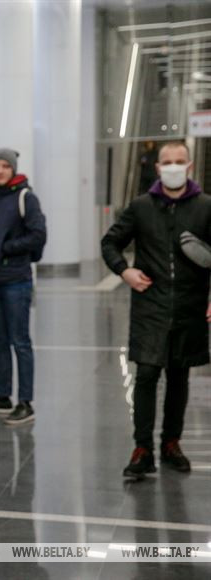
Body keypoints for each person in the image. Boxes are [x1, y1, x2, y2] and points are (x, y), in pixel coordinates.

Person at [101, 140, 211, 480]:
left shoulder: (206, 207)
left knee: (179, 376)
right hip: (150, 304)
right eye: (168, 161)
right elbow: (110, 242)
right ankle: (142, 448)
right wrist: (125, 271)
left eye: (180, 161)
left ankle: (171, 443)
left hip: (190, 306)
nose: (174, 166)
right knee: (147, 374)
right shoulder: (141, 206)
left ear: (190, 166)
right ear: (158, 168)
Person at [0, 148, 47, 426]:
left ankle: (25, 402)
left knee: (20, 342)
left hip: (16, 282)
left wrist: (5, 250)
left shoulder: (26, 197)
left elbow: (38, 235)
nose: (0, 170)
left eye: (5, 166)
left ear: (13, 169)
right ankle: (2, 397)